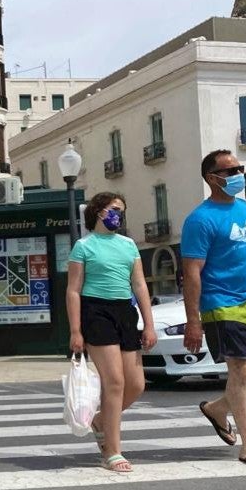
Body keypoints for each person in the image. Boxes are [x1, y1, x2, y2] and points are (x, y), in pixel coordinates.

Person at [182, 150, 246, 468]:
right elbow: (191, 273)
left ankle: (217, 408)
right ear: (211, 178)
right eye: (230, 171)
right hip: (222, 303)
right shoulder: (200, 219)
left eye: (239, 168)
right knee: (239, 371)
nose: (238, 174)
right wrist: (193, 321)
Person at [66, 193, 157, 473]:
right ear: (98, 211)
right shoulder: (83, 246)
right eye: (114, 209)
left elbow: (140, 285)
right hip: (97, 312)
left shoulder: (129, 245)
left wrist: (149, 324)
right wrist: (76, 331)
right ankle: (113, 451)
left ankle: (100, 419)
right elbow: (73, 290)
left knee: (136, 384)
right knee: (114, 382)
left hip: (125, 312)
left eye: (122, 210)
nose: (119, 214)